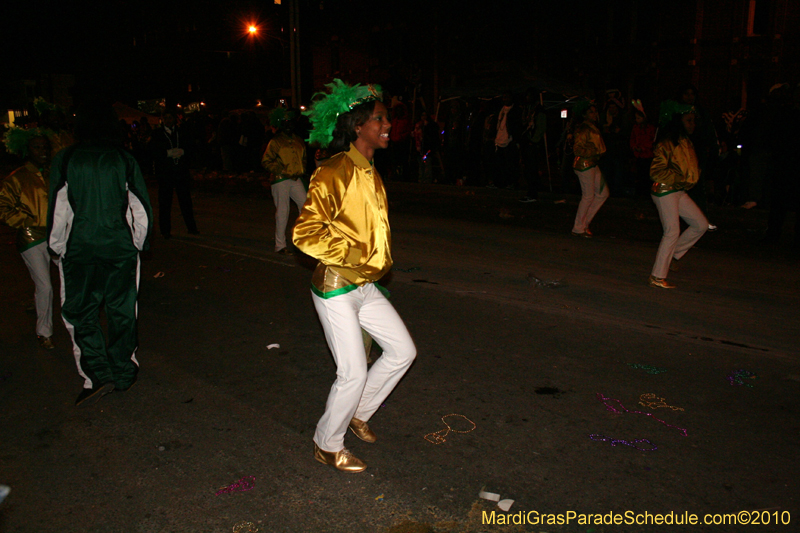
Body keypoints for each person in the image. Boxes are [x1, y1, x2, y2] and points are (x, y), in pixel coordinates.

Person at [294, 79, 417, 473]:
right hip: (336, 288)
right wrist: (353, 254)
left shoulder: (369, 170)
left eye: (386, 118)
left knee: (402, 351)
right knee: (352, 371)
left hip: (365, 285)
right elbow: (304, 233)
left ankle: (358, 412)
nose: (387, 125)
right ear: (358, 124)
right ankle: (326, 443)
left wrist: (370, 263)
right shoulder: (334, 170)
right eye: (380, 118)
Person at [47, 101, 153, 406]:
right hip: (119, 247)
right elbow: (140, 206)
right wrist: (139, 243)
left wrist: (57, 247)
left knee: (79, 312)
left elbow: (59, 208)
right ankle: (123, 372)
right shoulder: (123, 158)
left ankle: (95, 374)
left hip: (79, 248)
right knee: (122, 310)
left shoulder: (66, 158)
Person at [0, 128, 57, 349]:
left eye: (45, 147)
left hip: (57, 235)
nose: (42, 151)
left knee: (71, 280)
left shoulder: (55, 174)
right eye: (37, 147)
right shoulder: (17, 178)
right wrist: (26, 220)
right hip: (31, 238)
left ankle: (75, 324)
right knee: (45, 286)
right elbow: (3, 207)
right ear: (27, 150)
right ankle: (44, 332)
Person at [648, 101, 708, 289]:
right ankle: (657, 276)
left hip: (677, 190)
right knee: (672, 231)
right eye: (688, 120)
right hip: (665, 191)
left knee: (700, 224)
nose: (692, 124)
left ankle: (673, 254)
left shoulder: (685, 141)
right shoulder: (667, 142)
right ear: (678, 121)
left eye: (693, 121)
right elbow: (656, 172)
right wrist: (680, 178)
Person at [261, 108, 307, 254]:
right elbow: (266, 161)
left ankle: (301, 240)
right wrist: (281, 170)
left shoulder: (299, 140)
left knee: (306, 207)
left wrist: (301, 169)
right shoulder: (275, 141)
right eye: (285, 122)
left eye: (290, 122)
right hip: (280, 179)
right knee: (283, 210)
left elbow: (304, 158)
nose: (288, 125)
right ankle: (280, 245)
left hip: (295, 178)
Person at [149, 111, 199, 238]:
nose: (168, 120)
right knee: (165, 202)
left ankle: (191, 227)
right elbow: (151, 152)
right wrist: (166, 154)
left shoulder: (182, 132)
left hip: (181, 172)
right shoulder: (157, 134)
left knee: (185, 201)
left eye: (170, 117)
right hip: (165, 173)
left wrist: (183, 152)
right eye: (165, 118)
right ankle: (165, 230)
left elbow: (191, 147)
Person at [570, 101, 609, 237]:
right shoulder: (583, 129)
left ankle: (584, 223)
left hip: (592, 163)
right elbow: (577, 149)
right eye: (591, 112)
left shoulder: (592, 127)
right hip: (584, 164)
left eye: (595, 111)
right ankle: (578, 227)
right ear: (585, 114)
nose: (594, 114)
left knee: (603, 193)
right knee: (588, 196)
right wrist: (592, 151)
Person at [519, 89, 546, 203]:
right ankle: (532, 191)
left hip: (533, 144)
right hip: (527, 142)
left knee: (532, 169)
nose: (527, 98)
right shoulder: (527, 109)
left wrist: (533, 141)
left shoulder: (538, 110)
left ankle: (532, 193)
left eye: (529, 96)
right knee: (528, 169)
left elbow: (541, 127)